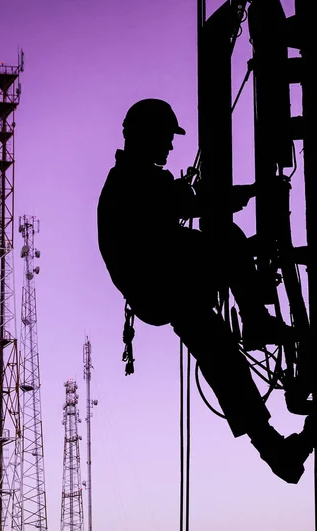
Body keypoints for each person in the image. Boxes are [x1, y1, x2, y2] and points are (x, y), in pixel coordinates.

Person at [97, 98, 314, 484]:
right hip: (164, 279)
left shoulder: (129, 180)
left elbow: (185, 207)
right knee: (228, 239)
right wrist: (253, 193)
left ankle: (273, 450)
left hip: (160, 287)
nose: (169, 147)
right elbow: (202, 204)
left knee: (217, 350)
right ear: (147, 135)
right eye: (166, 138)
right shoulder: (138, 181)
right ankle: (256, 321)